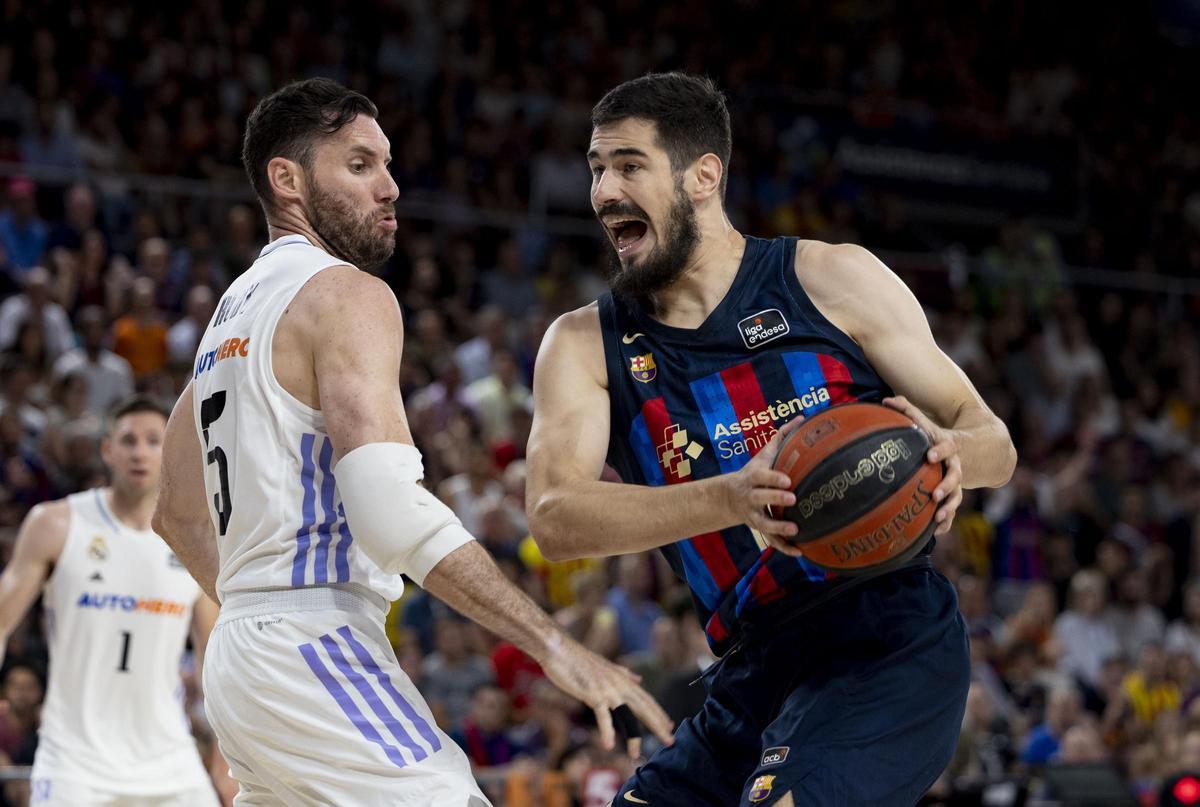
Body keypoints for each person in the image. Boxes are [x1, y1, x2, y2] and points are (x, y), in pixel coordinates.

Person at [153, 78, 671, 806]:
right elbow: (389, 510)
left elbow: (175, 512)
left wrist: (256, 612)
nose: (391, 187)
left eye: (389, 165)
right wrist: (557, 645)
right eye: (361, 166)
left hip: (243, 658)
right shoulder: (345, 293)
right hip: (310, 639)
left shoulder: (226, 323)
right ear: (287, 180)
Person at [525, 72, 1017, 806]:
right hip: (751, 666)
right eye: (596, 169)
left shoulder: (829, 276)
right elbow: (555, 517)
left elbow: (993, 440)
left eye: (628, 165)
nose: (602, 191)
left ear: (703, 177)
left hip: (885, 636)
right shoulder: (584, 343)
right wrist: (731, 496)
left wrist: (953, 455)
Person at [0, 396, 220, 805]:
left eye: (154, 441)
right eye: (128, 440)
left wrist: (229, 749)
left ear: (169, 451)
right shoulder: (55, 524)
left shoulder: (195, 542)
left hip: (169, 760)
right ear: (108, 450)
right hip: (73, 762)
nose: (140, 452)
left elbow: (215, 658)